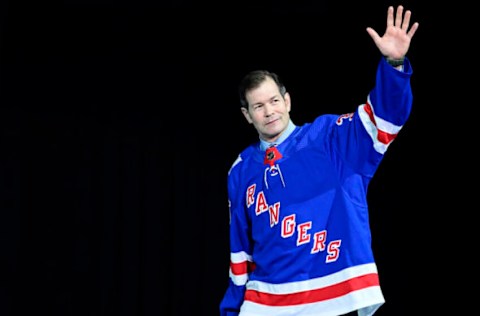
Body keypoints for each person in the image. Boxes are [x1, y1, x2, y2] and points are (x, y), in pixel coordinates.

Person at [219, 4, 419, 316]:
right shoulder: (241, 169)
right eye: (258, 106)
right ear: (247, 115)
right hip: (266, 302)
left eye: (274, 101)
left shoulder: (330, 138)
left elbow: (385, 117)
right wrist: (231, 309)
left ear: (287, 101)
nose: (269, 111)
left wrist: (393, 64)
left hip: (333, 295)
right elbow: (240, 248)